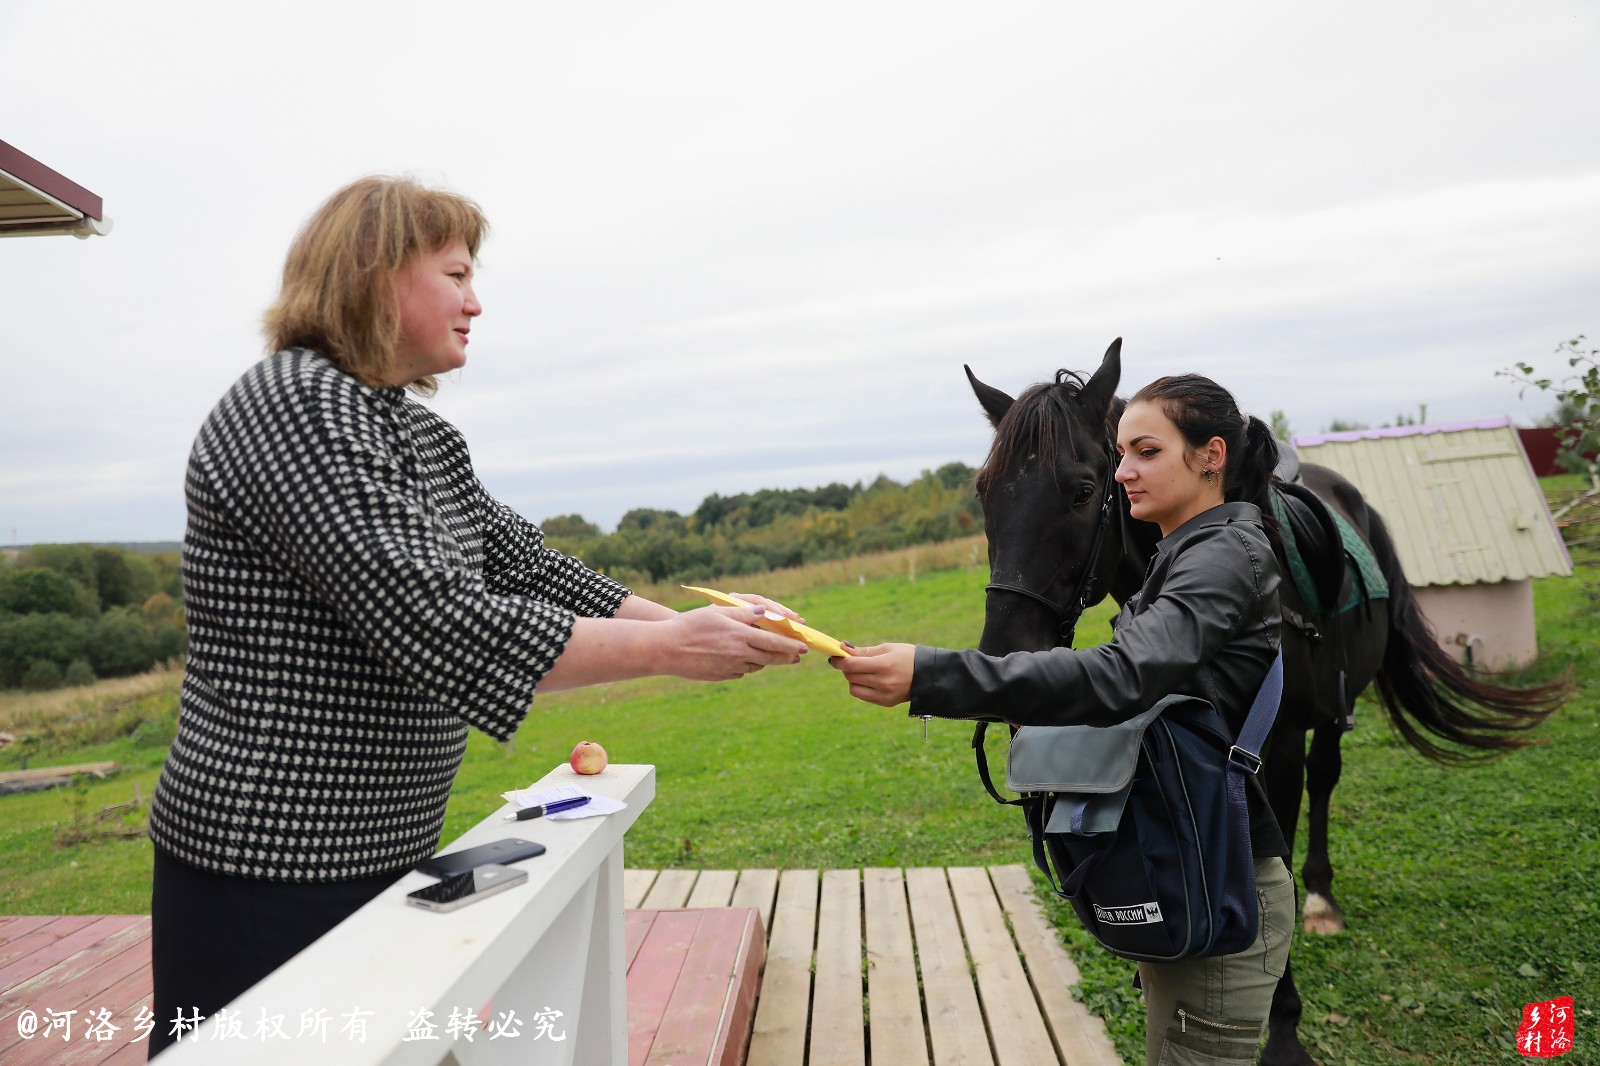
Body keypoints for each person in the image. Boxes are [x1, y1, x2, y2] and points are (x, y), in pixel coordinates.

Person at [146, 175, 807, 1057]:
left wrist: (720, 621)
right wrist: (674, 648)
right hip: (268, 864)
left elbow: (530, 571)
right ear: (377, 275)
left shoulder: (414, 433)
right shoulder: (298, 406)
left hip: (379, 845)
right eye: (456, 275)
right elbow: (441, 620)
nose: (476, 302)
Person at [833, 374, 1296, 1065]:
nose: (1122, 471)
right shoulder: (1180, 555)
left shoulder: (1225, 556)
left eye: (1145, 451)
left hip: (1223, 884)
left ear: (1210, 455)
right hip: (1190, 864)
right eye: (1119, 453)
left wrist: (931, 675)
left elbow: (1123, 676)